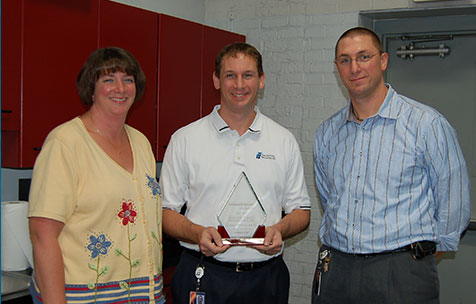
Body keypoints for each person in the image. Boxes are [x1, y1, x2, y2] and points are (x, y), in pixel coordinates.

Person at [313, 27, 471, 304]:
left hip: (402, 272)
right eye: (345, 60)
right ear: (337, 67)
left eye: (364, 57)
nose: (354, 68)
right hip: (336, 271)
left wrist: (415, 257)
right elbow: (329, 199)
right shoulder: (327, 132)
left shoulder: (426, 124)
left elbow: (453, 202)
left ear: (383, 60)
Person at [159, 42, 311, 304]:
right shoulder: (185, 139)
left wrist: (280, 229)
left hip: (266, 278)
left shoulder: (283, 140)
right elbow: (164, 212)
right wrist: (197, 234)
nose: (239, 85)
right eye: (230, 75)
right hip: (203, 275)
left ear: (261, 80)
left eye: (248, 75)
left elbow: (302, 211)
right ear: (217, 80)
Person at [28, 47, 164, 304]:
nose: (120, 88)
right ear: (91, 87)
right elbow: (42, 235)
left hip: (144, 295)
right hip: (83, 297)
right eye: (108, 80)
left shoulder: (141, 142)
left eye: (128, 80)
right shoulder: (65, 143)